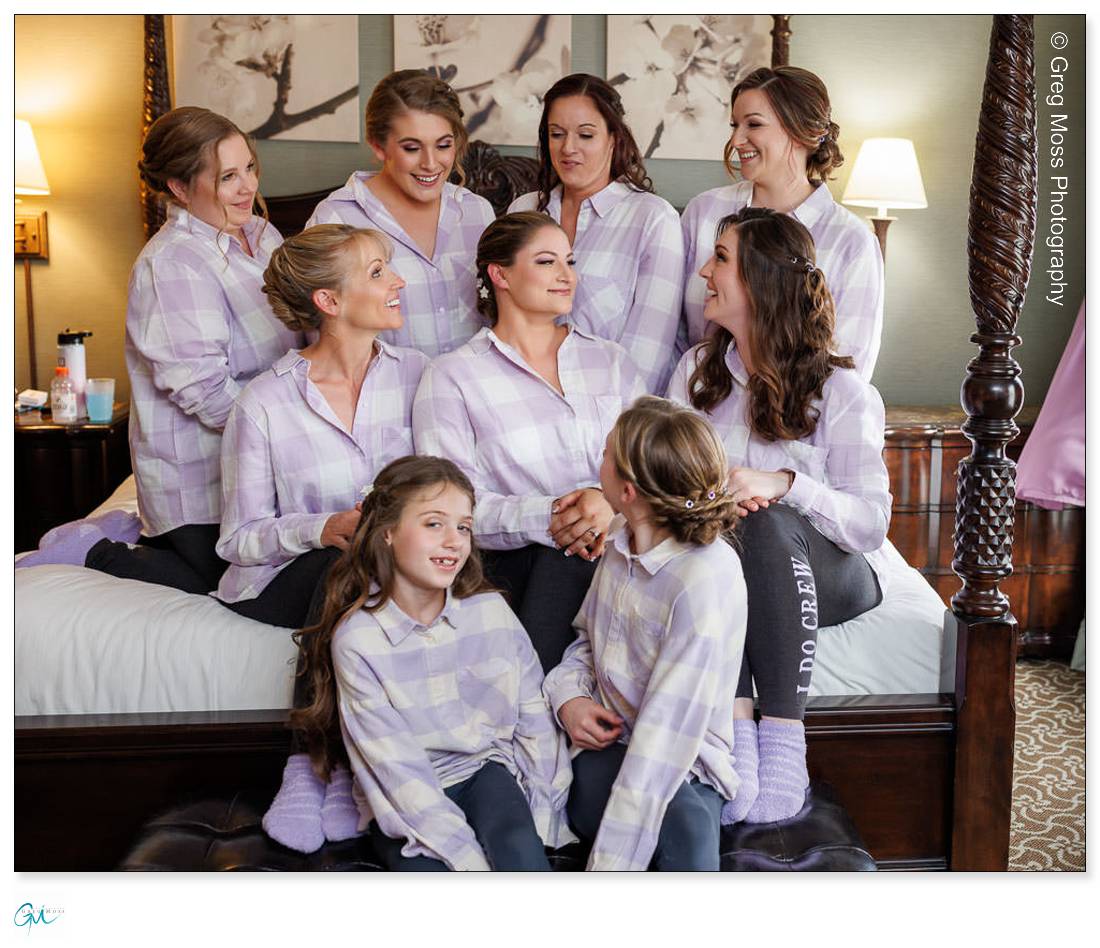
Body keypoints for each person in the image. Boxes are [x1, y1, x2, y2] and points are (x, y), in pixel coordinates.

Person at [667, 207, 890, 824]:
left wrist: (787, 485)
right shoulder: (695, 375)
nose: (704, 272)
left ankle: (785, 740)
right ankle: (737, 736)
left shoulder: (842, 393)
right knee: (711, 548)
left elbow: (871, 524)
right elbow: (662, 479)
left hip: (832, 573)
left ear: (761, 281)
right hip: (731, 563)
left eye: (720, 259)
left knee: (763, 522)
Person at [287, 455, 575, 870]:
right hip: (401, 790)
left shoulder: (490, 612)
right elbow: (396, 770)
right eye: (433, 523)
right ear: (387, 533)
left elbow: (533, 717)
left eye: (463, 526)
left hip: (484, 771)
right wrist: (471, 864)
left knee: (518, 846)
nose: (454, 540)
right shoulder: (359, 640)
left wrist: (543, 816)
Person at [75, 107, 303, 590]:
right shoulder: (174, 264)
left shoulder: (263, 235)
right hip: (200, 480)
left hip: (266, 457)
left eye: (249, 168)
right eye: (227, 177)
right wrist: (287, 437)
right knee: (227, 584)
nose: (247, 187)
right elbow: (204, 390)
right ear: (180, 188)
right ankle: (93, 550)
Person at [414, 212, 646, 673]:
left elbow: (657, 468)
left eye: (570, 261)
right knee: (563, 552)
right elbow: (449, 510)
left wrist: (609, 505)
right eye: (546, 262)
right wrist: (555, 516)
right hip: (521, 560)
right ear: (500, 275)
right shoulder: (452, 377)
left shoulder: (612, 362)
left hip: (626, 546)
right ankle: (532, 717)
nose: (567, 275)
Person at [543, 396, 745, 870]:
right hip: (609, 749)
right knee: (674, 825)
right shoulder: (617, 544)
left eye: (607, 454)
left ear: (629, 491)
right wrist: (567, 698)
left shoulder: (701, 580)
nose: (599, 462)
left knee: (686, 824)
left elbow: (665, 739)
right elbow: (588, 644)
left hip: (684, 756)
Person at [215, 224, 428, 629]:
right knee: (346, 568)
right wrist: (324, 528)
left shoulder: (418, 375)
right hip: (293, 577)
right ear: (329, 300)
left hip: (397, 563)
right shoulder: (264, 402)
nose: (398, 282)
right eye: (378, 272)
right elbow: (238, 538)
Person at [680, 66, 883, 380]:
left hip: (796, 423)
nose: (736, 140)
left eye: (754, 125)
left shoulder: (851, 241)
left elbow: (850, 369)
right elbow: (675, 337)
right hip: (698, 409)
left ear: (800, 132)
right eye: (735, 125)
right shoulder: (703, 213)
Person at [508, 73, 683, 394]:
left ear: (613, 138)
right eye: (556, 134)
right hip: (522, 399)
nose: (568, 148)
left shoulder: (653, 219)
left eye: (585, 135)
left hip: (612, 411)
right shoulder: (524, 210)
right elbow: (503, 318)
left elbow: (649, 353)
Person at [306, 69, 495, 357]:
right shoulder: (336, 219)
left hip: (474, 395)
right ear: (378, 146)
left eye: (443, 145)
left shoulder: (477, 212)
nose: (431, 163)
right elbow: (321, 338)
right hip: (385, 398)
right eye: (411, 148)